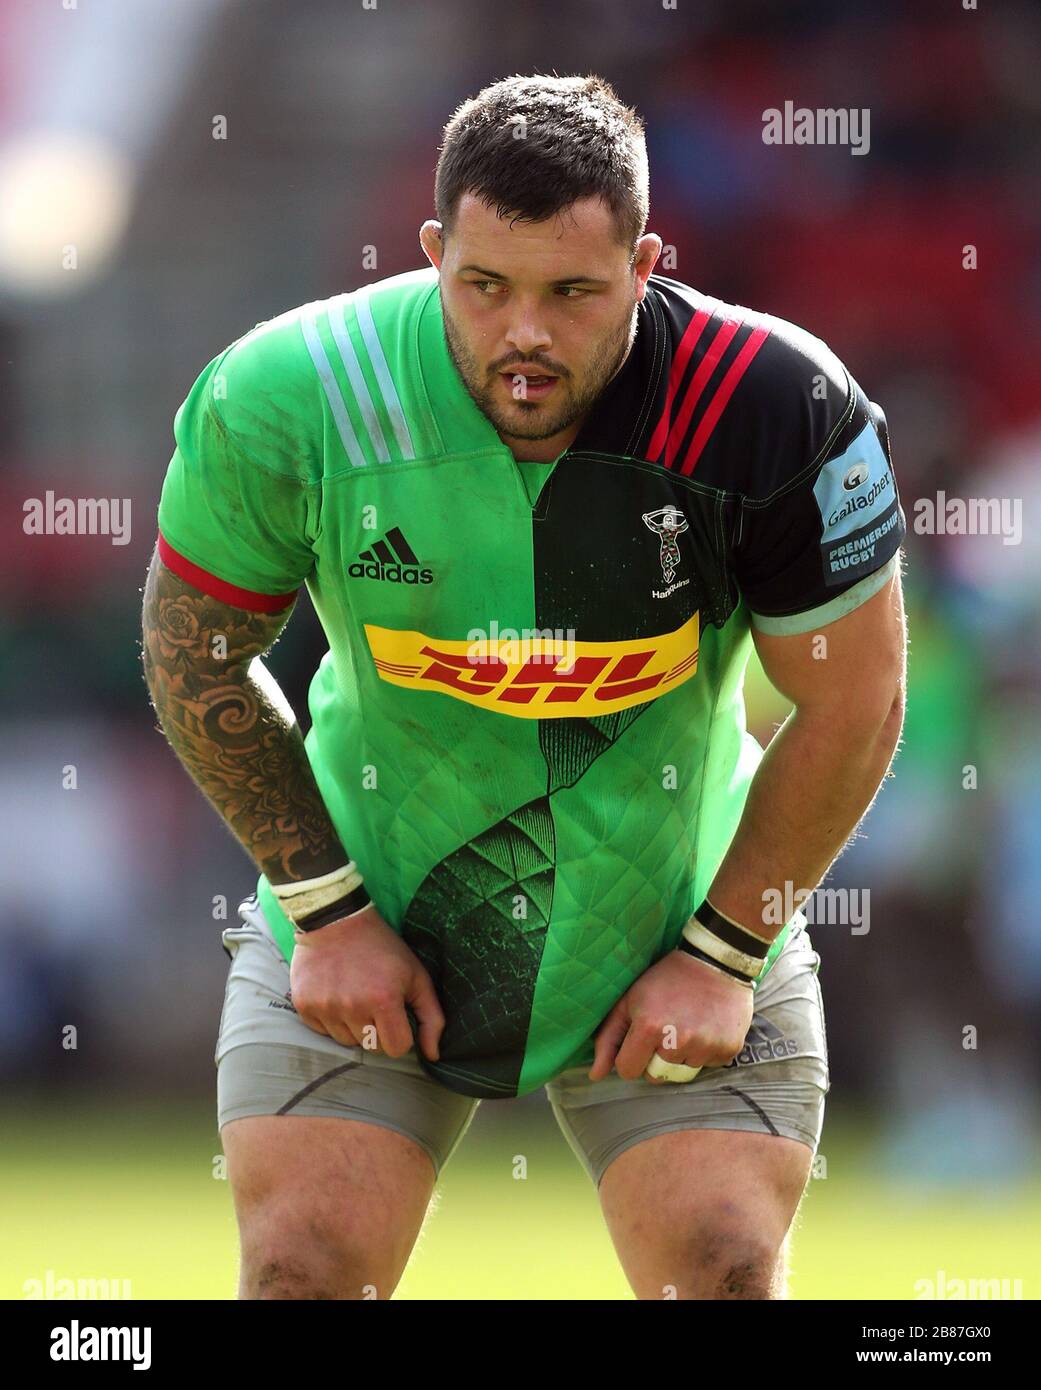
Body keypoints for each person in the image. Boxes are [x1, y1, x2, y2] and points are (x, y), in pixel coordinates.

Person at [141, 73, 907, 1300]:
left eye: (573, 292)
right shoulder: (293, 396)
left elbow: (856, 698)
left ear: (649, 264)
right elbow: (194, 656)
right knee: (300, 1273)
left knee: (720, 1271)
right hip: (368, 900)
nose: (525, 336)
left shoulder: (777, 408)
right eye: (485, 287)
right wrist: (326, 909)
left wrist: (724, 949)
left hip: (677, 908)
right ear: (435, 249)